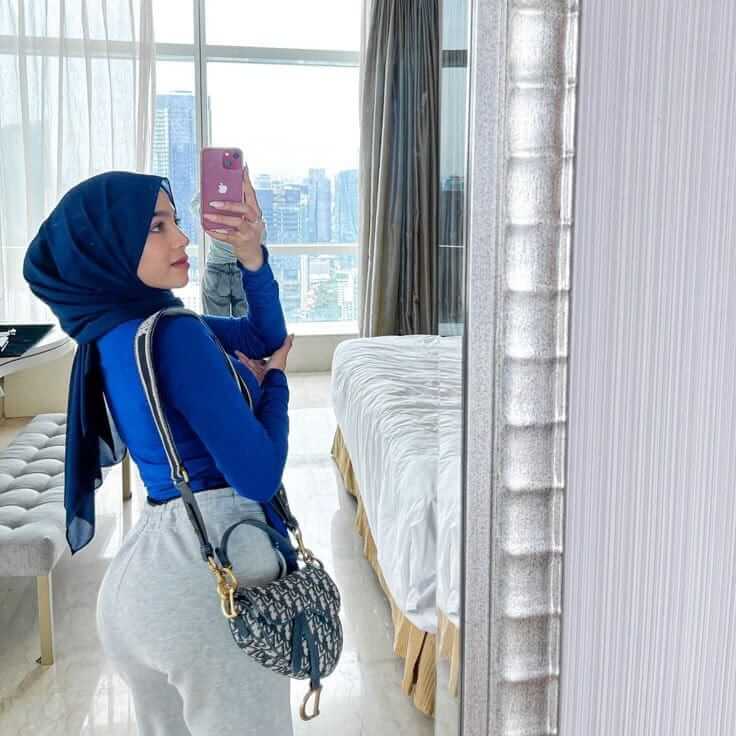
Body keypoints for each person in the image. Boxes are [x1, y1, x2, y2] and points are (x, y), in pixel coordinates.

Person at [23, 169, 296, 736]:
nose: (183, 237)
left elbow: (261, 335)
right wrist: (274, 384)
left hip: (143, 579)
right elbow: (258, 476)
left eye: (175, 220)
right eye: (157, 226)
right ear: (110, 244)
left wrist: (251, 254)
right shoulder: (173, 334)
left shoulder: (116, 331)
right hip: (211, 579)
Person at [191, 190, 254, 317]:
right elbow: (261, 237)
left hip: (216, 269)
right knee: (245, 325)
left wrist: (211, 188)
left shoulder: (214, 213)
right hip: (243, 269)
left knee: (217, 325)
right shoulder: (248, 211)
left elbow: (195, 206)